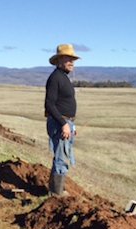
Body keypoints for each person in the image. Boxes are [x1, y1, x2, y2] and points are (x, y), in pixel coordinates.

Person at [44, 44, 80, 195]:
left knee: (61, 155)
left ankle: (54, 190)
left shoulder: (63, 77)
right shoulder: (55, 78)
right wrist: (64, 123)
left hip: (66, 123)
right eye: (68, 59)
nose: (72, 62)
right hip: (60, 123)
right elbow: (49, 104)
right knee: (62, 157)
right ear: (59, 60)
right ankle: (57, 194)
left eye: (73, 59)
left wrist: (71, 125)